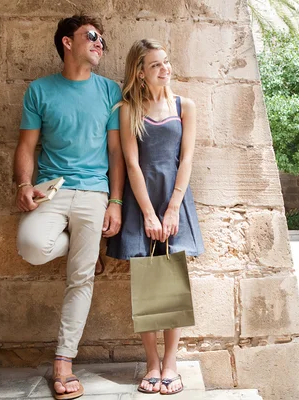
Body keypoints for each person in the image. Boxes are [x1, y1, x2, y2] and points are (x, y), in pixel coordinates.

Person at [13, 14, 124, 400]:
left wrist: (116, 201)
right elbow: (26, 145)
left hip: (95, 192)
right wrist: (24, 185)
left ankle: (63, 362)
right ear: (66, 42)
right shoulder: (40, 91)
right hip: (52, 189)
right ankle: (84, 248)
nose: (99, 44)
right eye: (91, 37)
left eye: (102, 41)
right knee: (30, 245)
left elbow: (115, 151)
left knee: (81, 279)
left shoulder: (111, 91)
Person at [106, 39, 204, 395]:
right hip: (141, 199)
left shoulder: (185, 106)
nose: (165, 69)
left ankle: (171, 364)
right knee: (146, 282)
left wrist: (174, 206)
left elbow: (187, 159)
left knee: (174, 278)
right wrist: (148, 213)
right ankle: (151, 363)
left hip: (174, 196)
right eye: (156, 65)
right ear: (140, 72)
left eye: (166, 62)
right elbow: (131, 163)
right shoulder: (128, 110)